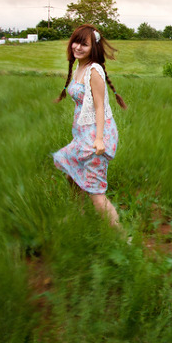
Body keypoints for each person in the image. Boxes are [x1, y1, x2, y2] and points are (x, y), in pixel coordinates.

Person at [52, 24, 127, 226]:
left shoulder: (93, 71)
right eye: (76, 42)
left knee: (96, 193)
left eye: (83, 44)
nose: (77, 47)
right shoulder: (80, 66)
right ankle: (79, 213)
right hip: (83, 135)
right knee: (71, 173)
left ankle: (122, 238)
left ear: (92, 47)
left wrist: (99, 140)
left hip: (97, 137)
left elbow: (100, 107)